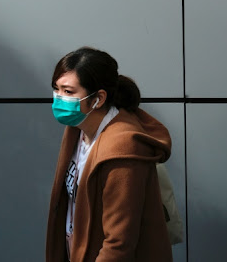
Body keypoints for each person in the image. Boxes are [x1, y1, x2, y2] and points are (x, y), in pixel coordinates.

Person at [45, 47, 173, 262]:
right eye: (56, 89)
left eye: (68, 92)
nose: (58, 99)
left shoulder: (123, 149)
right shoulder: (78, 128)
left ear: (99, 98)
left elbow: (119, 243)